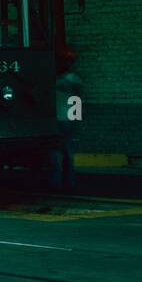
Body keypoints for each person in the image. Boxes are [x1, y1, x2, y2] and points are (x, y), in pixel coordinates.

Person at [52, 47, 83, 190]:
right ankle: (65, 181)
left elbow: (77, 99)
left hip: (63, 119)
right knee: (64, 151)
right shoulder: (70, 79)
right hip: (63, 118)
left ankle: (61, 182)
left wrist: (75, 119)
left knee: (59, 152)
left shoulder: (69, 80)